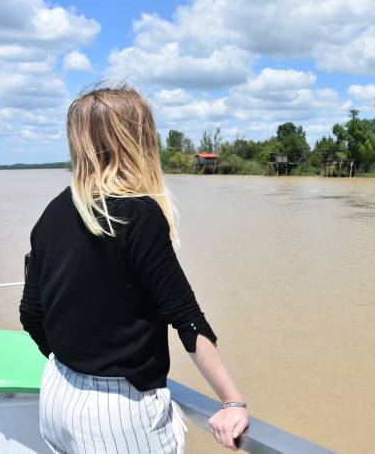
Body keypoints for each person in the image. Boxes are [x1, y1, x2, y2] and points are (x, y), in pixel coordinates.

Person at [19, 82, 249, 453]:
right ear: (136, 140)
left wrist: (77, 363)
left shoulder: (53, 211)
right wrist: (232, 401)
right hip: (117, 413)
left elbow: (31, 314)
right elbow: (186, 319)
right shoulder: (138, 215)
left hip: (58, 393)